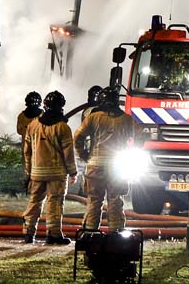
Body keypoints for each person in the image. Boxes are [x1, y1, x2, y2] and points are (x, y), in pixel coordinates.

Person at [74, 86, 137, 231]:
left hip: (95, 165)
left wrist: (84, 155)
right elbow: (140, 136)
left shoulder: (93, 118)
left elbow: (78, 137)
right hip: (117, 167)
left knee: (94, 200)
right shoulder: (127, 119)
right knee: (115, 199)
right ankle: (116, 233)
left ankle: (90, 232)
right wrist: (130, 151)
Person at [22, 90, 77, 244]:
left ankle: (28, 233)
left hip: (37, 173)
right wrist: (73, 172)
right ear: (61, 106)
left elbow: (27, 152)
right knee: (55, 203)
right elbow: (68, 154)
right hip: (57, 174)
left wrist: (28, 173)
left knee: (34, 201)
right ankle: (53, 235)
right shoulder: (63, 127)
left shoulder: (32, 125)